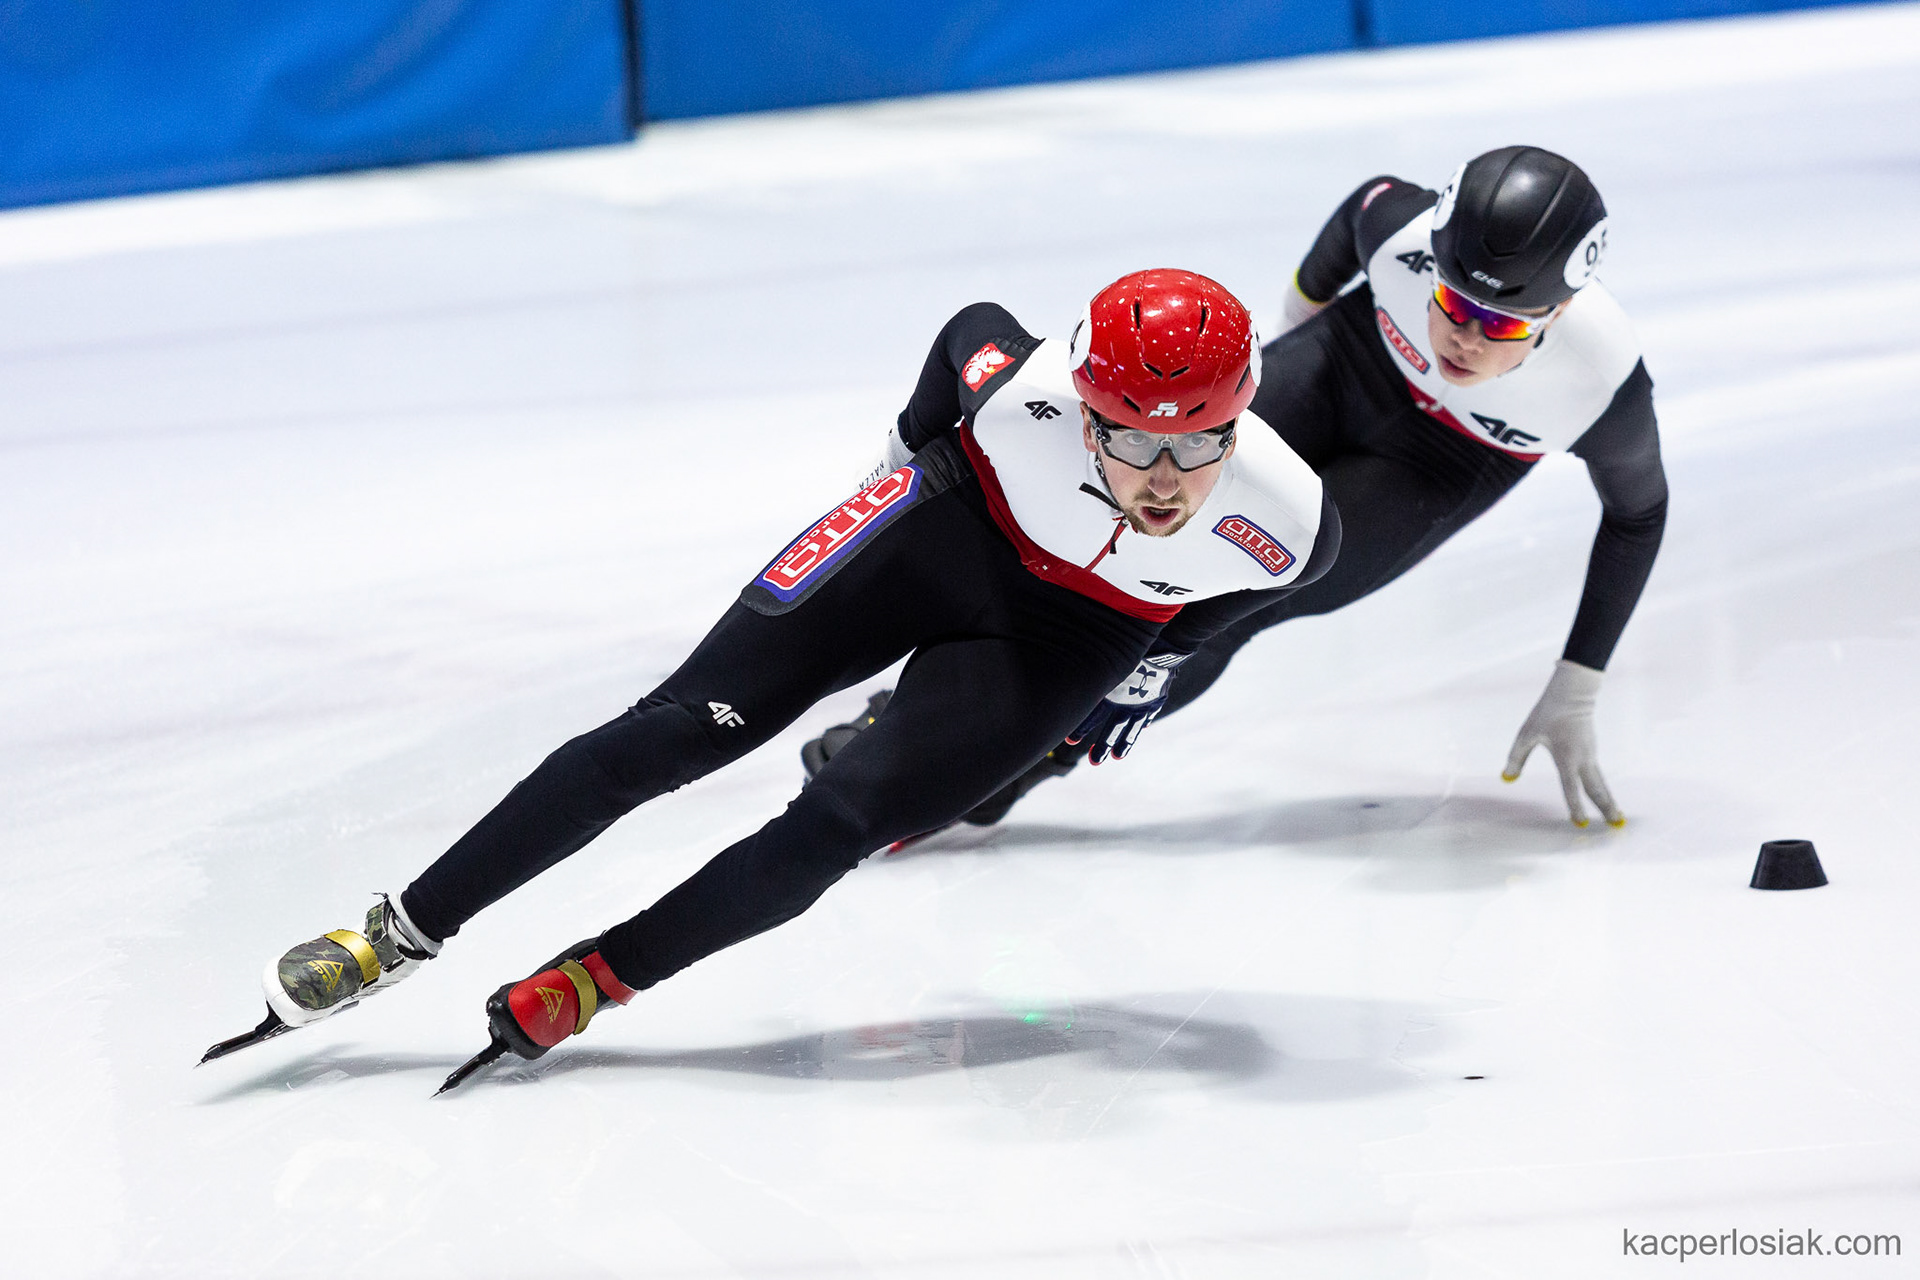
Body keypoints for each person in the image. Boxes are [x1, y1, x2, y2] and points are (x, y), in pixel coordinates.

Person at [203, 269, 1340, 1086]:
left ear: (1238, 420)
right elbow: (968, 327)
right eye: (1130, 438)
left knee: (834, 828)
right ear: (1083, 408)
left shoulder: (1288, 520)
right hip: (946, 525)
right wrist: (899, 460)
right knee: (671, 733)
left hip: (1074, 632)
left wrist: (1153, 660)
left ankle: (602, 976)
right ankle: (397, 933)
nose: (1164, 476)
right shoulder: (1020, 389)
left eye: (1200, 442)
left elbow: (1250, 591)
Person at [820, 145, 1666, 832]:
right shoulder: (1404, 230)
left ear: (1560, 312)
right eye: (1451, 301)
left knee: (1227, 603)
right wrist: (1296, 336)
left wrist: (1579, 680)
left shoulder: (1601, 381)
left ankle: (1005, 765)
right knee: (1121, 516)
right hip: (1346, 364)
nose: (1463, 337)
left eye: (1501, 324)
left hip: (1443, 462)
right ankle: (921, 707)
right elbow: (1359, 211)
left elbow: (1638, 515)